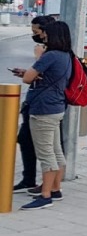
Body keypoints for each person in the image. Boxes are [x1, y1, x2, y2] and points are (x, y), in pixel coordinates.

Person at [14, 21, 74, 209]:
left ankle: (45, 195)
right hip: (56, 108)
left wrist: (39, 57)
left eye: (45, 34)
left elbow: (27, 78)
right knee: (56, 151)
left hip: (43, 110)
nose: (43, 37)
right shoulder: (66, 56)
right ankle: (56, 189)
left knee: (46, 154)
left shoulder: (49, 56)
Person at [13, 16, 57, 192]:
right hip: (37, 103)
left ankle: (49, 190)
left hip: (45, 107)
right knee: (26, 140)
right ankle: (31, 179)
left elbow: (33, 78)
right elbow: (42, 77)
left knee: (48, 149)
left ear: (45, 31)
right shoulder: (50, 52)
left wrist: (38, 58)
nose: (35, 36)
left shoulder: (53, 53)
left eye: (36, 32)